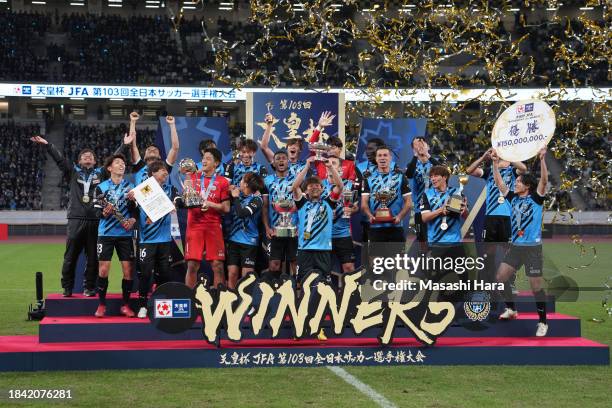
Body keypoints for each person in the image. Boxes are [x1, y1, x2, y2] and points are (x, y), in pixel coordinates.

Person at [31, 135, 109, 297]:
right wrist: (48, 145)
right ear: (79, 161)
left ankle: (89, 287)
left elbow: (112, 161)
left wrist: (124, 145)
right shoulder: (73, 172)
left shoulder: (101, 173)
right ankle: (67, 288)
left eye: (91, 156)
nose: (87, 157)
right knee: (70, 256)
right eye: (84, 156)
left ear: (95, 161)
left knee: (93, 257)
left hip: (95, 220)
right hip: (75, 219)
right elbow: (59, 160)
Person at [492, 147, 549, 337]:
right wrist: (494, 163)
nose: (515, 183)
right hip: (516, 248)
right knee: (500, 278)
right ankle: (512, 309)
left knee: (536, 287)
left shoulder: (536, 199)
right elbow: (500, 183)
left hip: (533, 249)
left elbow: (544, 181)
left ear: (527, 186)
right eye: (515, 181)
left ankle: (542, 322)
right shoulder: (513, 199)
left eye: (518, 181)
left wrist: (542, 159)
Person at [466, 147, 527, 292]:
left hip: (508, 216)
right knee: (489, 249)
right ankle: (489, 281)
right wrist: (483, 157)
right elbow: (469, 171)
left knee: (509, 250)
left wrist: (509, 155)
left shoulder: (512, 171)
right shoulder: (488, 172)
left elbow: (523, 169)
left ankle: (510, 282)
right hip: (491, 216)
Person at [127, 160, 177, 318]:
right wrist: (131, 200)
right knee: (145, 274)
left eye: (166, 171)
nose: (165, 173)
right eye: (162, 170)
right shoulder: (143, 189)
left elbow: (177, 203)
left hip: (164, 240)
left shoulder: (170, 189)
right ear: (152, 173)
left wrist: (176, 203)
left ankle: (162, 307)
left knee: (165, 274)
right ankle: (142, 305)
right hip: (147, 240)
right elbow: (132, 210)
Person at [178, 147, 230, 288]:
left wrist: (211, 204)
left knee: (218, 265)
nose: (204, 161)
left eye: (208, 158)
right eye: (203, 158)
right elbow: (185, 201)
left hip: (213, 226)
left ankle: (220, 300)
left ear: (217, 163)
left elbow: (226, 208)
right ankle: (190, 299)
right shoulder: (192, 177)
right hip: (194, 226)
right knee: (193, 265)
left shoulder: (223, 182)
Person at [93, 154, 137, 318]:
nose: (122, 165)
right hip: (105, 234)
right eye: (117, 163)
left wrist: (132, 219)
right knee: (103, 270)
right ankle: (101, 305)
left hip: (125, 234)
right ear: (109, 168)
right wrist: (104, 212)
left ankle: (125, 305)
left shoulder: (130, 187)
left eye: (123, 163)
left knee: (128, 271)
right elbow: (95, 211)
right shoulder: (101, 187)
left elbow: (135, 210)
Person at [291, 156, 343, 280]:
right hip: (305, 250)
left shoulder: (329, 203)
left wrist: (330, 167)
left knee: (324, 284)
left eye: (317, 185)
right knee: (304, 283)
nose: (314, 187)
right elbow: (295, 187)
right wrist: (307, 166)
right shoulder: (302, 203)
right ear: (306, 190)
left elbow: (340, 186)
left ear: (322, 189)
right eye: (310, 186)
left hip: (323, 250)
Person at [361, 146, 413, 243]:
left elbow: (409, 203)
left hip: (396, 227)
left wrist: (399, 217)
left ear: (390, 158)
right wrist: (370, 216)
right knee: (375, 258)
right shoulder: (368, 178)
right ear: (376, 159)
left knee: (397, 258)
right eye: (379, 155)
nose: (382, 158)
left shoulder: (400, 177)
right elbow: (364, 203)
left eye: (385, 155)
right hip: (376, 227)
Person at [262, 150, 298, 278]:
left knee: (295, 263)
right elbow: (265, 206)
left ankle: (299, 295)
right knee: (274, 264)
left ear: (288, 161)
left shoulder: (296, 179)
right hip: (275, 230)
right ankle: (275, 292)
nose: (281, 160)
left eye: (284, 158)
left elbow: (303, 205)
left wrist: (300, 227)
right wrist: (267, 227)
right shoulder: (267, 181)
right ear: (274, 162)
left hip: (294, 229)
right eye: (278, 158)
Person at [226, 172, 265, 289]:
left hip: (249, 242)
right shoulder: (239, 195)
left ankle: (247, 302)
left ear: (246, 184)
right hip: (233, 239)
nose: (240, 183)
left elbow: (242, 214)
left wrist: (236, 197)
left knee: (246, 277)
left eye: (242, 181)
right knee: (232, 273)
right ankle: (231, 301)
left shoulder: (257, 200)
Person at [322, 156, 358, 273]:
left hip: (343, 234)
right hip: (323, 235)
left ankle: (350, 291)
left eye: (333, 163)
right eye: (328, 163)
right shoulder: (318, 185)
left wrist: (352, 210)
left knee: (349, 268)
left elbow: (355, 206)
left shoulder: (350, 185)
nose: (329, 165)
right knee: (324, 269)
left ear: (340, 169)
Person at [405, 137, 441, 243]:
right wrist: (416, 155)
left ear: (428, 147)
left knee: (437, 239)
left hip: (436, 206)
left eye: (422, 144)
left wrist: (427, 154)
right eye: (417, 144)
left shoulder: (436, 162)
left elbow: (443, 170)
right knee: (422, 241)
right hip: (419, 209)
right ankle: (424, 258)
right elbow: (409, 174)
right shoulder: (412, 164)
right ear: (413, 149)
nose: (420, 146)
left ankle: (437, 259)